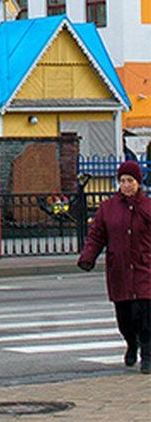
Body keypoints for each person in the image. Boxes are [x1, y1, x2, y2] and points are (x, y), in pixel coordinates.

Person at [77, 158, 151, 372]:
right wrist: (87, 257)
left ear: (139, 182)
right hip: (119, 270)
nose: (127, 185)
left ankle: (147, 354)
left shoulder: (147, 206)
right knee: (125, 318)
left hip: (144, 268)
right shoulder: (108, 208)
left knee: (145, 315)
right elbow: (97, 235)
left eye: (131, 181)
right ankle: (131, 344)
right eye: (123, 181)